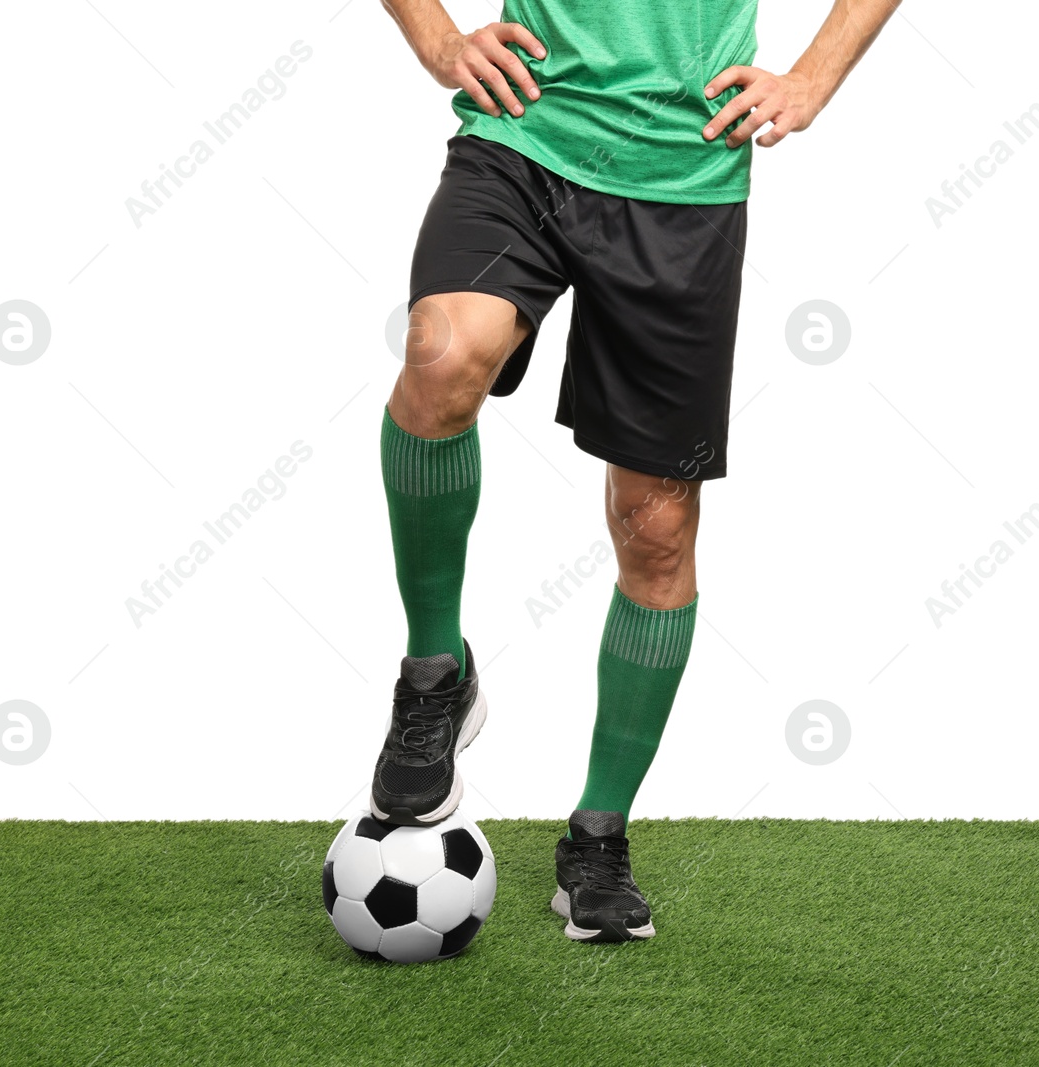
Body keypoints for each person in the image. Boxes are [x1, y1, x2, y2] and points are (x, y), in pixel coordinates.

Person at [371, 0, 901, 942]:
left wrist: (814, 74)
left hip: (684, 176)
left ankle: (597, 836)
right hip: (525, 132)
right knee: (442, 355)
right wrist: (437, 38)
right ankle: (434, 671)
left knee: (655, 531)